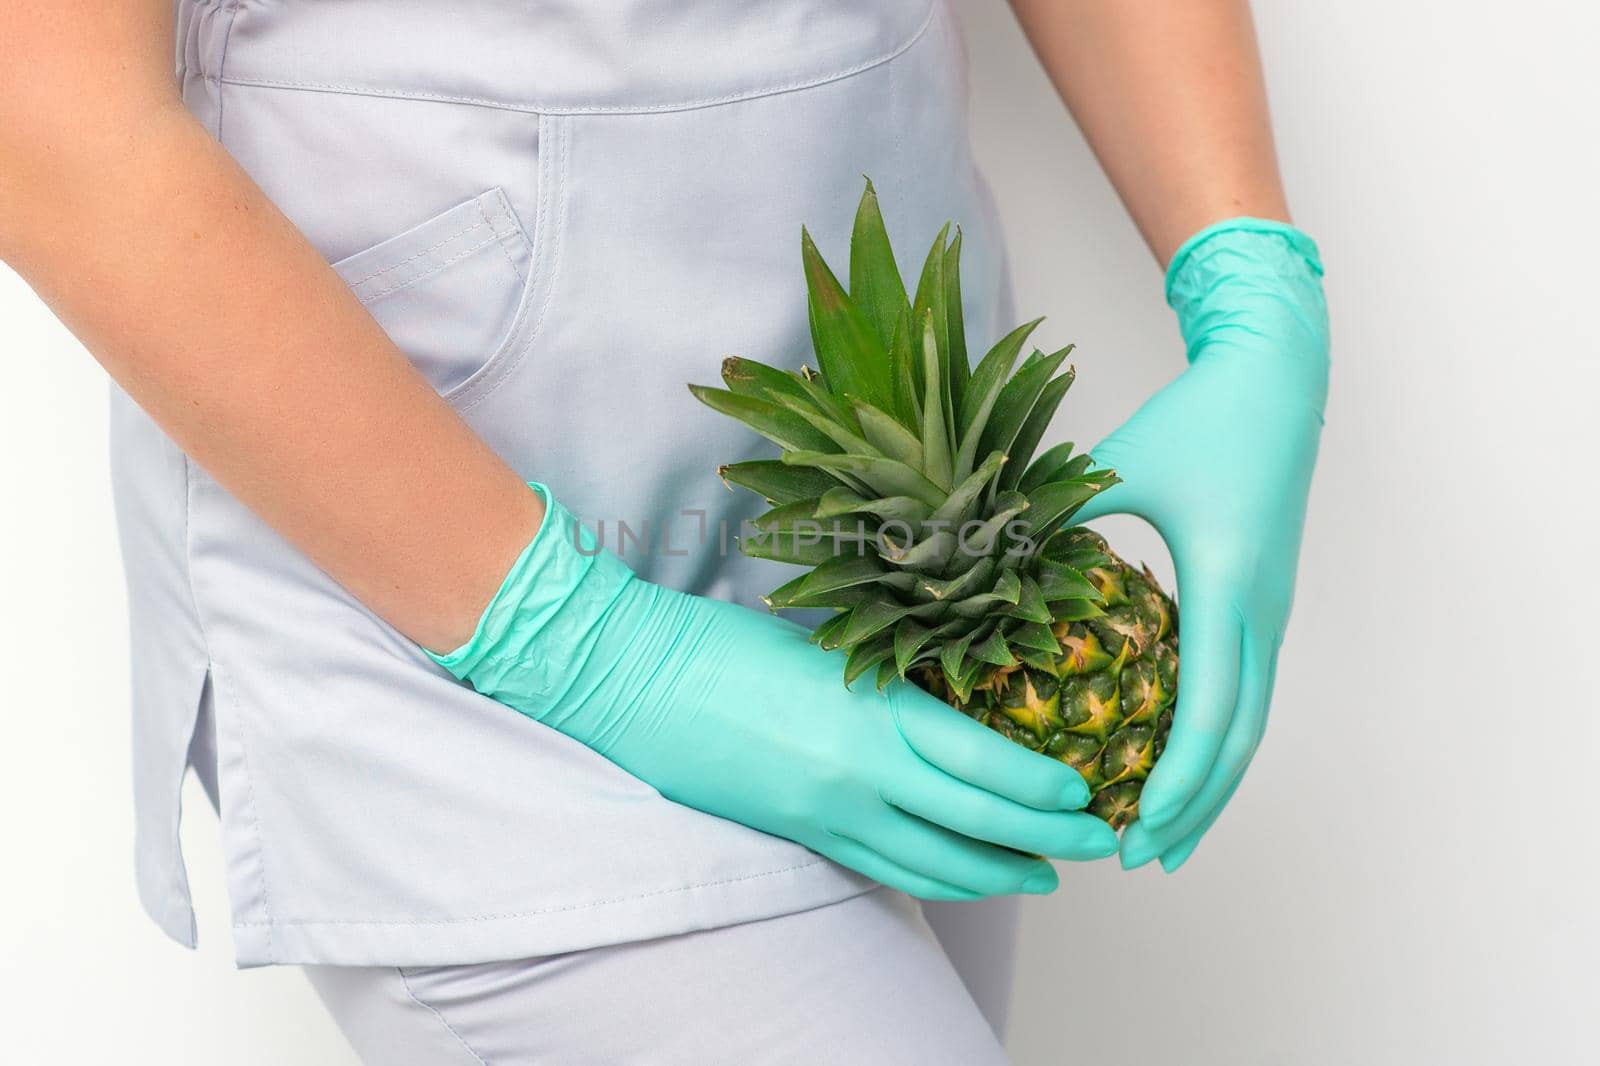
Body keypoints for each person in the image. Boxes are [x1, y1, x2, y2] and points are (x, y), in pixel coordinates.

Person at [0, 0, 1329, 1061]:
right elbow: (45, 104)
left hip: (894, 519)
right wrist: (585, 642)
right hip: (435, 557)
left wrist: (1246, 278)